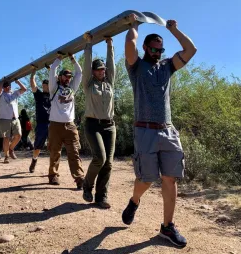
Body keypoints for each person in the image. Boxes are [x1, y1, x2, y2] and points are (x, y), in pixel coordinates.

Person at [121, 14, 197, 247]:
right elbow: (130, 45)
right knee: (147, 178)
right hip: (145, 131)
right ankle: (134, 200)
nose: (156, 53)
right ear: (146, 47)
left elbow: (190, 49)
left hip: (168, 130)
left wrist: (174, 29)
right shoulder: (136, 67)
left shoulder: (167, 67)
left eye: (160, 50)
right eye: (153, 49)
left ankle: (167, 227)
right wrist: (134, 26)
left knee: (170, 178)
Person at [81, 33, 116, 209]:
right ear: (94, 72)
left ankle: (101, 197)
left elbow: (112, 65)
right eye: (99, 69)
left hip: (110, 126)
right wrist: (89, 45)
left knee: (108, 163)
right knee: (99, 158)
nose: (102, 71)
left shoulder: (110, 82)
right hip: (93, 125)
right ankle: (87, 185)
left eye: (103, 69)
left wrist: (110, 44)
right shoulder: (88, 84)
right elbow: (86, 66)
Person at [47, 53, 84, 189]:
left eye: (69, 77)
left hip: (70, 125)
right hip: (55, 125)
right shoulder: (53, 88)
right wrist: (59, 59)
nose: (68, 78)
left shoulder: (72, 88)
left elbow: (79, 73)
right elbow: (52, 70)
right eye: (65, 76)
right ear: (60, 77)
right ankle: (53, 175)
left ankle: (79, 178)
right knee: (55, 151)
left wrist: (73, 59)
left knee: (74, 151)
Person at [0, 79, 27, 163]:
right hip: (4, 119)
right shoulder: (0, 95)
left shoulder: (15, 93)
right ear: (3, 87)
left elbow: (24, 89)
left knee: (19, 135)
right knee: (6, 138)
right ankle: (6, 156)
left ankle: (11, 149)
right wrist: (2, 80)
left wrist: (18, 81)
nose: (8, 87)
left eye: (9, 86)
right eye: (5, 86)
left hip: (15, 118)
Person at [29, 67, 51, 173]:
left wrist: (50, 69)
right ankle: (34, 160)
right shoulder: (39, 95)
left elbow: (56, 80)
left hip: (53, 124)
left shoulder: (54, 95)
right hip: (42, 124)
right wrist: (33, 72)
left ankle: (53, 169)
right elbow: (33, 84)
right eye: (44, 84)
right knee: (38, 146)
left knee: (54, 147)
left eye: (47, 84)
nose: (45, 86)